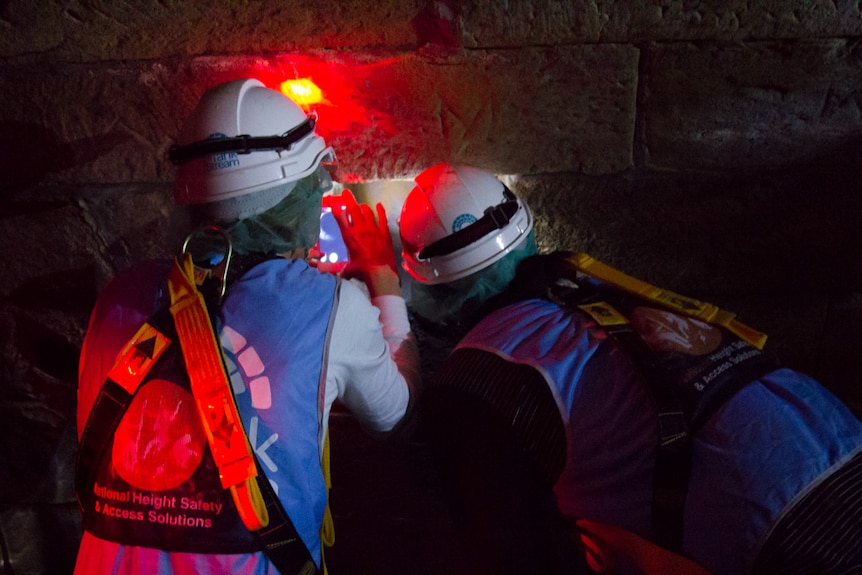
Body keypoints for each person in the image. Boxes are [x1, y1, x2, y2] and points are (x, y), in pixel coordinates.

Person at [398, 163, 862, 574]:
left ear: (427, 285)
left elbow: (507, 553)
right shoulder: (590, 285)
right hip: (841, 442)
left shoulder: (474, 381)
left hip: (780, 532)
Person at [73, 78, 420, 575]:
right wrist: (383, 279)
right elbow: (395, 417)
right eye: (313, 186)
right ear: (296, 194)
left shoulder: (118, 296)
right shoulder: (330, 306)